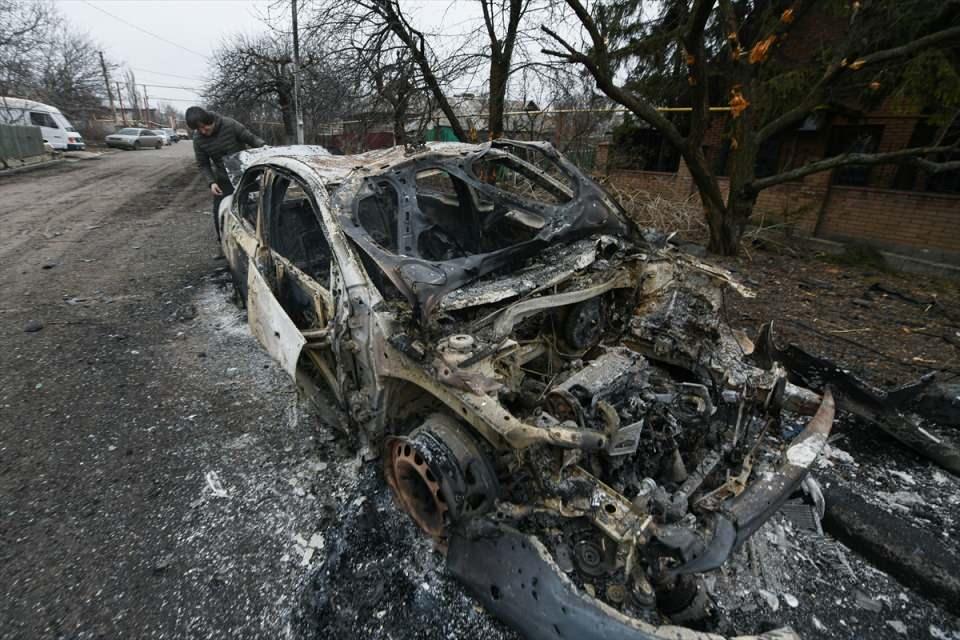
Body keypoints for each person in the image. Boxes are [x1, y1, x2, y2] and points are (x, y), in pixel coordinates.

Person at [186, 106, 266, 243]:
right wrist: (211, 182)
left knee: (256, 206)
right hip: (223, 179)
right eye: (199, 129)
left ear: (210, 120)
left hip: (246, 174)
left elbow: (251, 139)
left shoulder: (229, 124)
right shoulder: (198, 139)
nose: (203, 131)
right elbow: (203, 164)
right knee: (219, 211)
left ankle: (261, 240)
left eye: (205, 127)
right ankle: (223, 243)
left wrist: (264, 147)